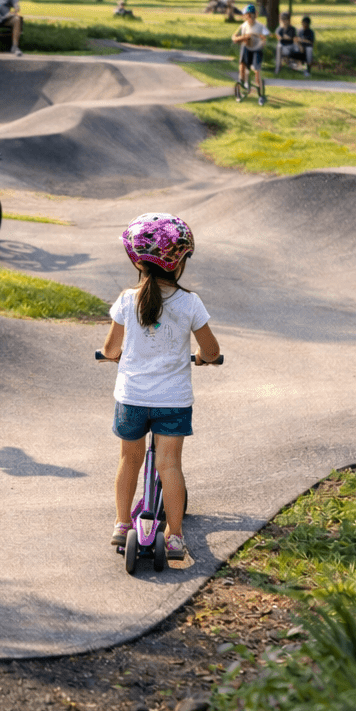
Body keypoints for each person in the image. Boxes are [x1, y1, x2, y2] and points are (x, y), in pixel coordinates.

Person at [98, 213, 220, 562]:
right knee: (170, 466)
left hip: (132, 398)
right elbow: (211, 351)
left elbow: (110, 350)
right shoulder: (191, 303)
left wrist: (114, 355)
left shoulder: (126, 300)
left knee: (129, 460)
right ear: (179, 261)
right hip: (173, 402)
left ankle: (122, 525)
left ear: (137, 260)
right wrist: (202, 358)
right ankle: (175, 537)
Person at [230, 4, 269, 95]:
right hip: (247, 49)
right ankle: (242, 81)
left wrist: (261, 39)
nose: (249, 17)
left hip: (257, 50)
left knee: (256, 70)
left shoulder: (260, 26)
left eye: (251, 15)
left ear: (255, 15)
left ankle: (259, 90)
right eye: (247, 15)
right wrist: (240, 38)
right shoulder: (243, 26)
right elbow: (234, 37)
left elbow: (266, 38)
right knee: (242, 62)